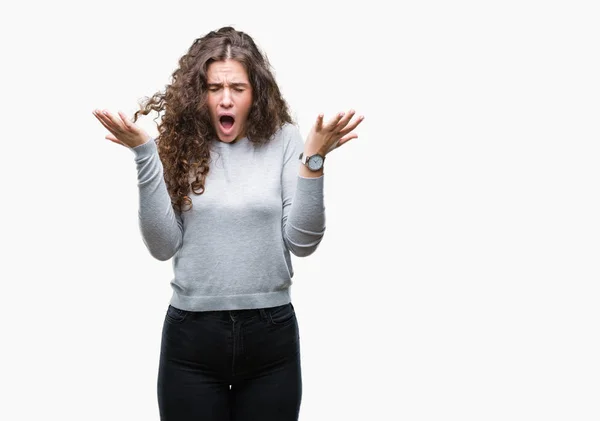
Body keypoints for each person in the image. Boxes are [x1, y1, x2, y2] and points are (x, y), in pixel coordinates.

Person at [92, 26, 363, 421]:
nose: (225, 99)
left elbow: (302, 243)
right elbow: (162, 246)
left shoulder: (286, 140)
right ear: (199, 92)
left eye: (237, 87)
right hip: (192, 341)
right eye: (214, 87)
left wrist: (315, 160)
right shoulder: (180, 143)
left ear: (256, 91)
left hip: (271, 336)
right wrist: (143, 153)